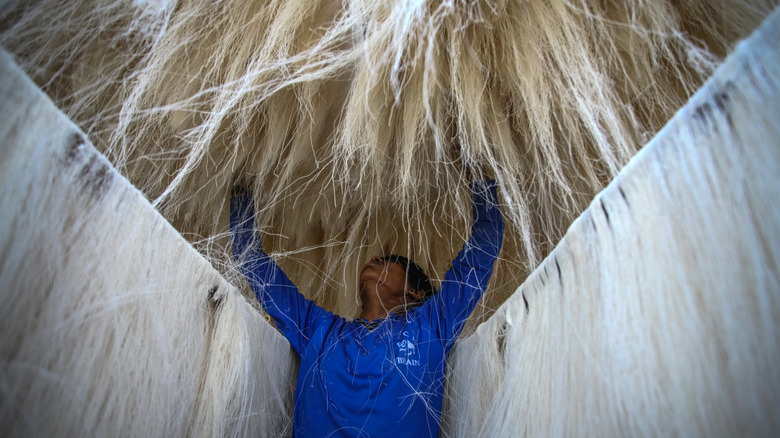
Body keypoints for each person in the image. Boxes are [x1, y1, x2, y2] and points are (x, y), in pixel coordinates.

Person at [230, 179, 504, 437]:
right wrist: (242, 182)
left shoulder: (431, 326)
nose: (374, 257)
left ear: (415, 291)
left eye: (389, 260)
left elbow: (484, 245)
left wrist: (479, 176)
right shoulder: (319, 330)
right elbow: (253, 263)